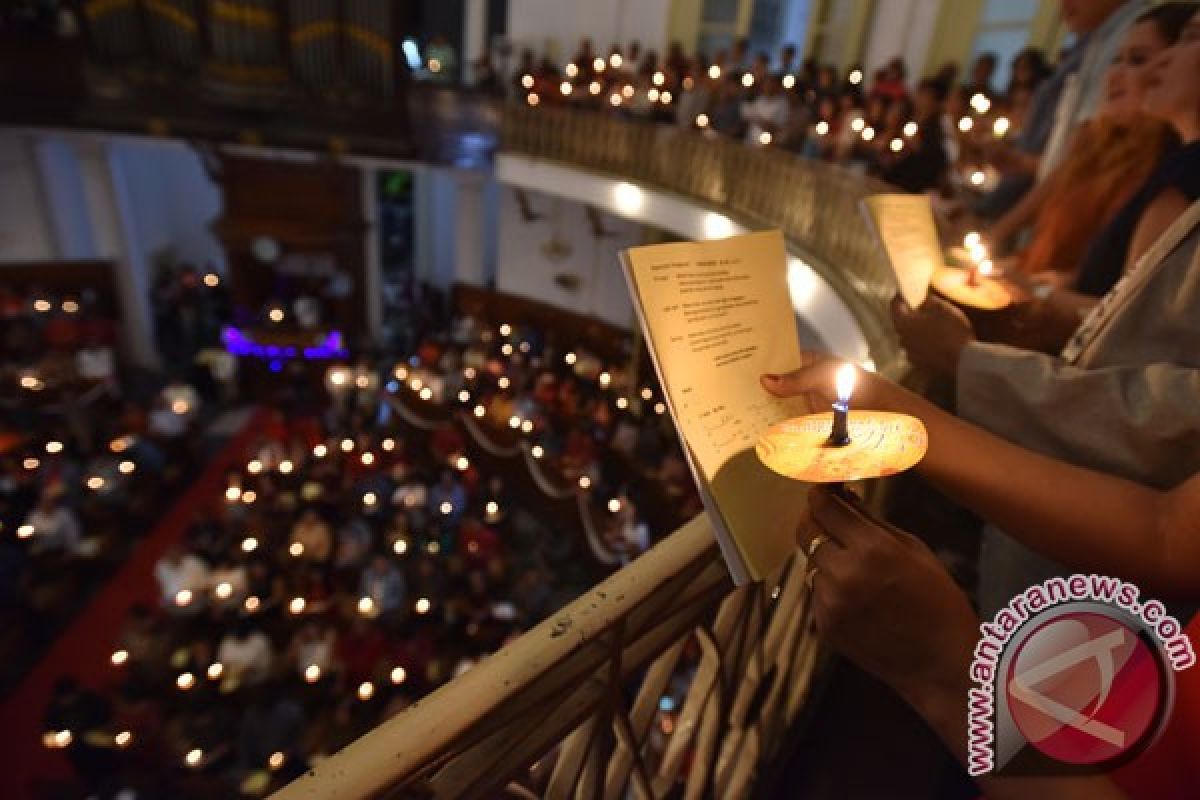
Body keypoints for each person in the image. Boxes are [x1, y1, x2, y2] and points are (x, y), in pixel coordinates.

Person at [984, 4, 1191, 289]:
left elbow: (1119, 292)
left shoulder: (1168, 166)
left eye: (1138, 60)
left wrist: (1040, 290)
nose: (1115, 74)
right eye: (1116, 59)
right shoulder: (1095, 139)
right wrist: (996, 247)